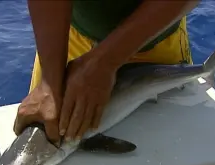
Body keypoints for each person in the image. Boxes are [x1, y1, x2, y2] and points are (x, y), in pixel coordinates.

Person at [13, 0, 200, 146]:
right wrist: (50, 82)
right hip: (67, 41)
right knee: (43, 128)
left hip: (151, 40)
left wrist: (105, 62)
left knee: (167, 149)